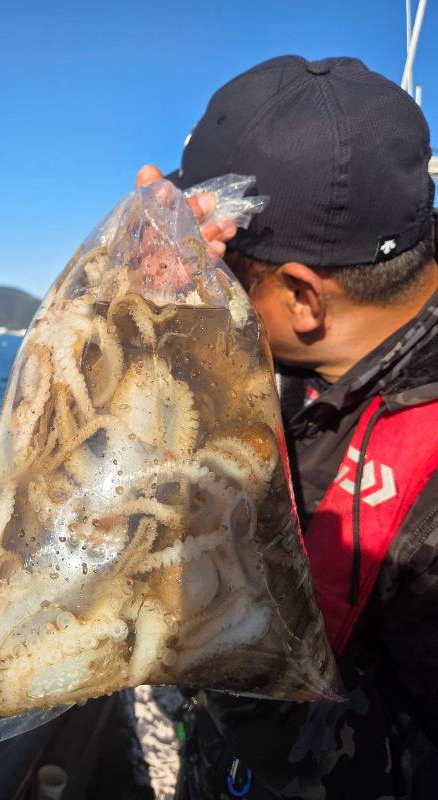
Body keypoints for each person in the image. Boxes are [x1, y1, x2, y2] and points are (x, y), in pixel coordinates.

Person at [135, 56, 438, 799]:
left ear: (304, 298)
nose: (199, 288)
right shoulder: (298, 348)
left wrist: (215, 613)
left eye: (220, 277)